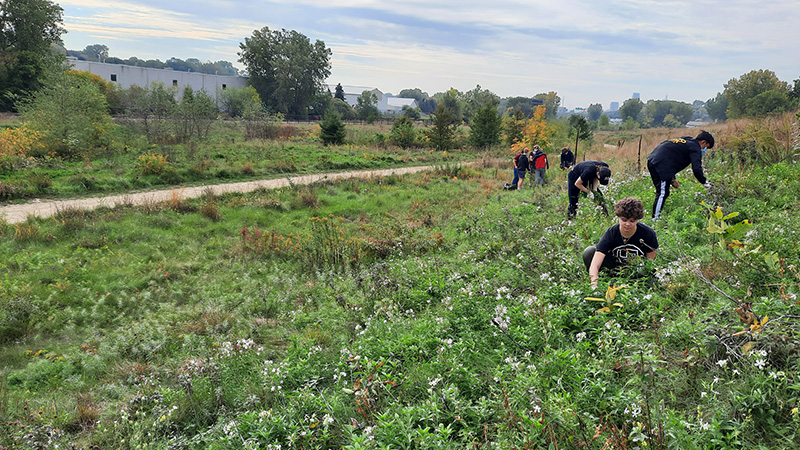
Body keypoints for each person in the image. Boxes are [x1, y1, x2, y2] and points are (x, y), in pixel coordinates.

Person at [583, 197, 658, 286]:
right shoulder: (611, 233)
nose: (627, 224)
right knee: (589, 252)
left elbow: (649, 263)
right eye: (624, 220)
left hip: (636, 272)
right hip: (614, 271)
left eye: (632, 221)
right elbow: (595, 264)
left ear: (638, 219)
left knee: (652, 282)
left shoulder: (648, 233)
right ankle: (608, 284)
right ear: (618, 217)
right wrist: (594, 285)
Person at [647, 130, 714, 219]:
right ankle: (655, 219)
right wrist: (705, 182)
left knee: (662, 191)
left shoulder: (687, 140)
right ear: (703, 142)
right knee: (662, 192)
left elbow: (672, 154)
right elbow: (696, 169)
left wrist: (672, 179)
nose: (704, 150)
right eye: (706, 147)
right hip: (661, 164)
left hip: (652, 159)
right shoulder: (695, 148)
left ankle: (656, 217)